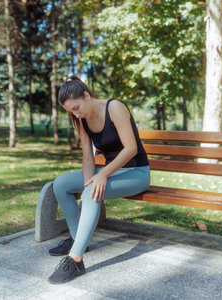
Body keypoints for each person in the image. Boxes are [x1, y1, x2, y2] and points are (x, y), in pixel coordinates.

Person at [47, 75, 150, 284]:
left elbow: (131, 148)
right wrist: (89, 182)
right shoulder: (82, 120)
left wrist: (101, 175)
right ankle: (78, 239)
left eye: (76, 108)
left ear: (86, 96)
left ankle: (75, 259)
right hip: (111, 172)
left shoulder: (114, 107)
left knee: (91, 193)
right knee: (61, 184)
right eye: (71, 112)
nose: (76, 114)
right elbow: (87, 157)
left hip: (136, 172)